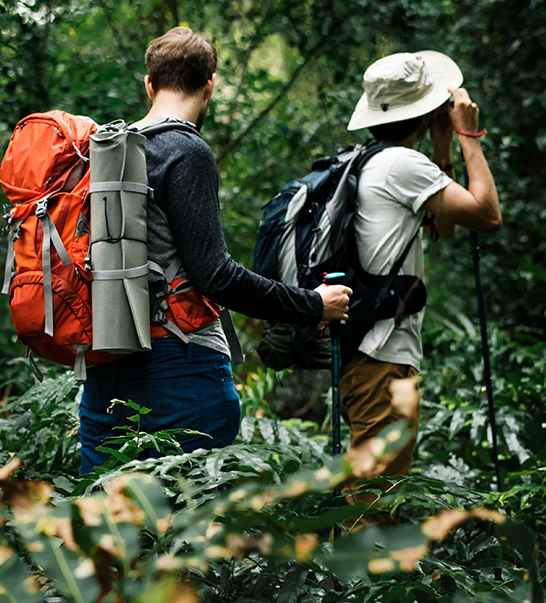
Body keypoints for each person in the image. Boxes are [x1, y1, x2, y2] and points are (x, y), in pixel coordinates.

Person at [78, 27, 352, 473]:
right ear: (210, 84)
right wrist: (312, 305)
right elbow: (216, 275)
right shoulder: (186, 151)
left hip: (104, 363)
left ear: (149, 84)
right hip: (180, 367)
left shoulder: (107, 149)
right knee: (192, 528)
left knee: (109, 526)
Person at [341, 50, 501, 513]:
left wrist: (443, 149)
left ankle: (345, 584)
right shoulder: (401, 167)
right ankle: (346, 586)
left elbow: (444, 228)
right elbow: (487, 216)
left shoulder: (372, 161)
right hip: (383, 359)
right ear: (426, 110)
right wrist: (469, 135)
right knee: (371, 509)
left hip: (367, 355)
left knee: (370, 499)